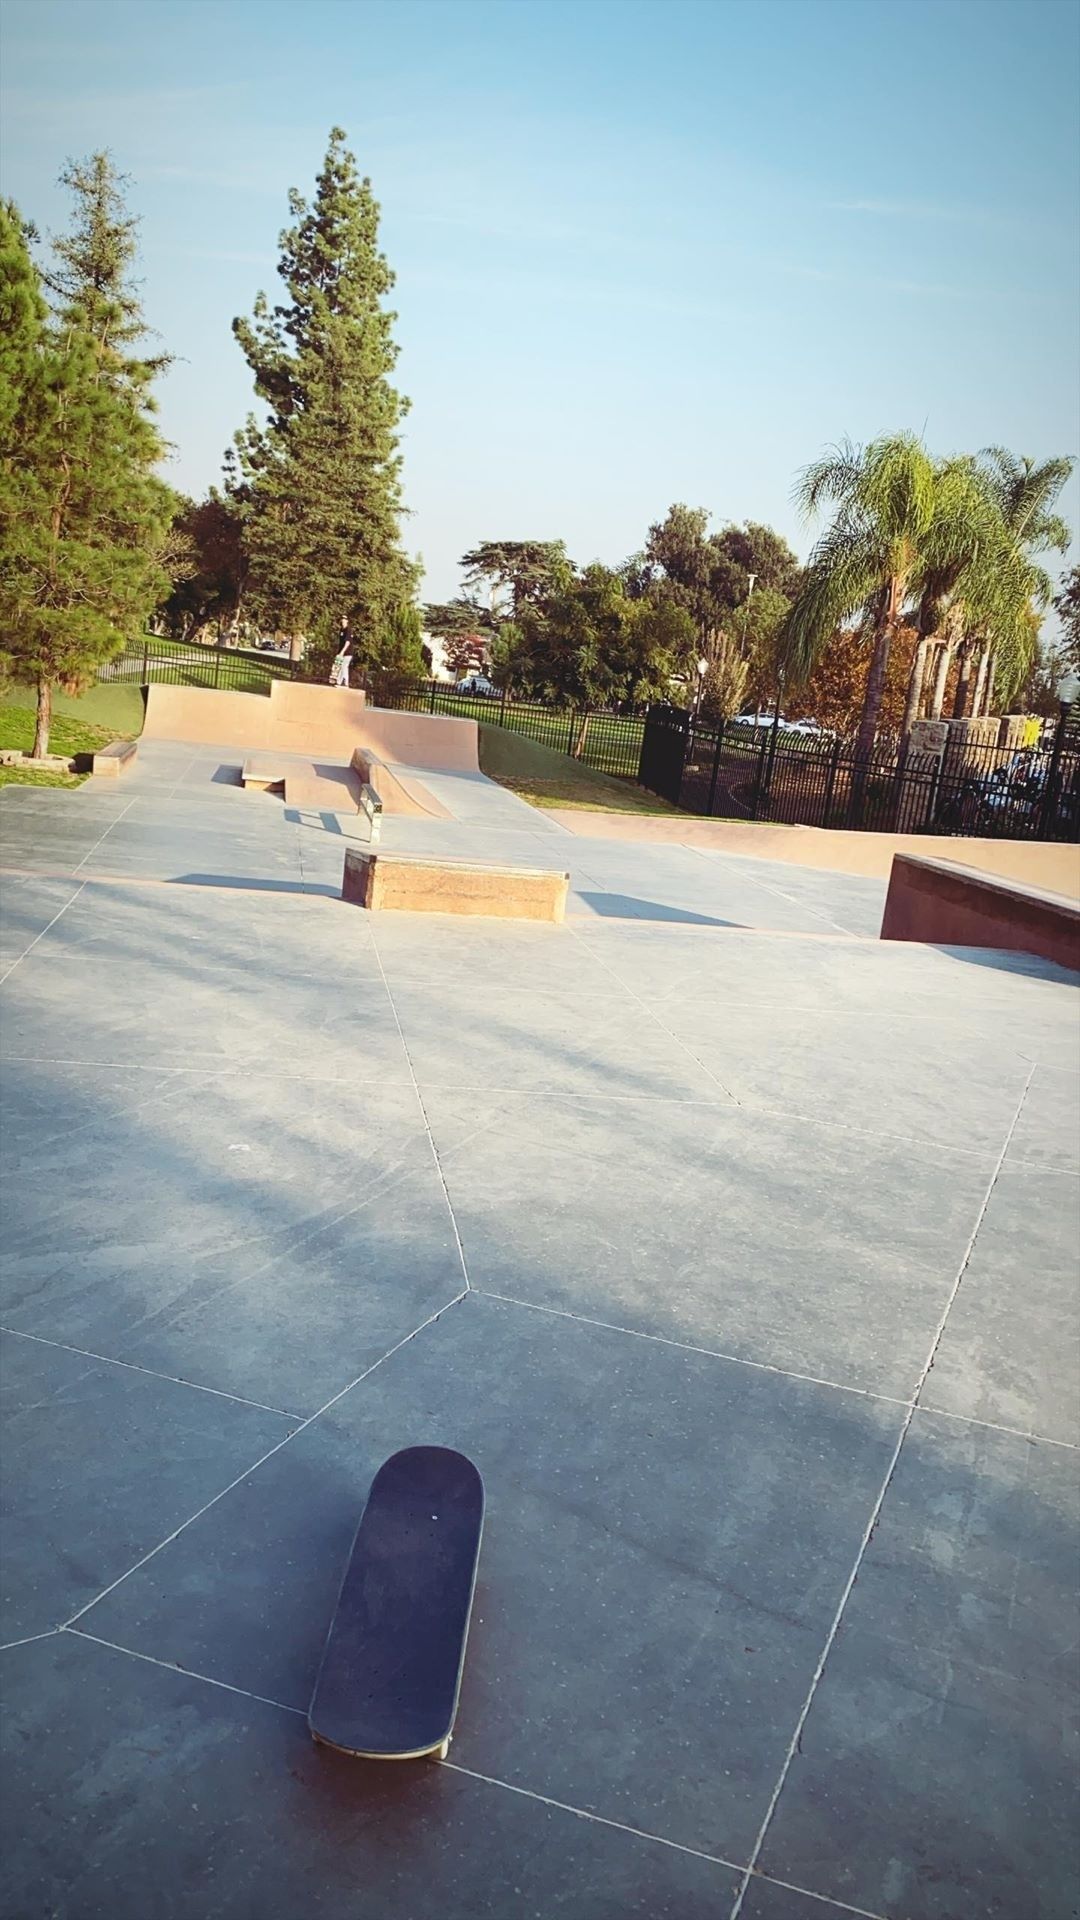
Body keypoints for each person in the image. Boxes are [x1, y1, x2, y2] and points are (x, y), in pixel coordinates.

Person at [329, 619, 353, 688]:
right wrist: (339, 652)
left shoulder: (348, 630)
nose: (342, 622)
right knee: (341, 666)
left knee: (344, 666)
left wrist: (342, 651)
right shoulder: (342, 630)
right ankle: (340, 682)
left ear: (347, 621)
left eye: (344, 621)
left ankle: (344, 682)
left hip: (348, 652)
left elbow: (347, 642)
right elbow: (341, 643)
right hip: (342, 652)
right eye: (342, 621)